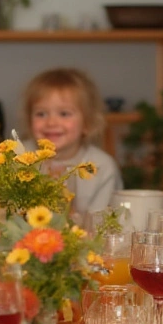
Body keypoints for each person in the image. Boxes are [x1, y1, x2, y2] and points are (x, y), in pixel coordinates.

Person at [23, 67, 122, 217]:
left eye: (64, 113)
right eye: (41, 114)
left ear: (88, 123)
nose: (51, 122)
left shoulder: (102, 167)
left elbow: (102, 224)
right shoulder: (18, 158)